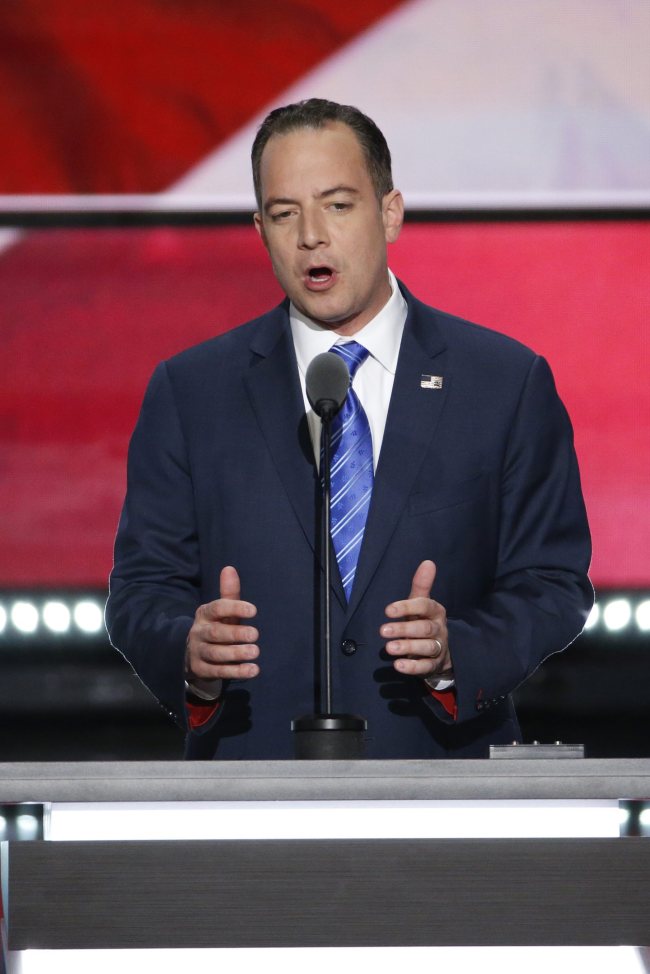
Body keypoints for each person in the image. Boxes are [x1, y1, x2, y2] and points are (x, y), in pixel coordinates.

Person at [106, 98, 593, 760]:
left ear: (389, 211)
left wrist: (458, 655)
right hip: (250, 789)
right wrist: (188, 656)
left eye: (337, 205)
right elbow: (141, 591)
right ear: (260, 228)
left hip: (444, 786)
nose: (311, 235)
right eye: (285, 213)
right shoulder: (192, 392)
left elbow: (552, 582)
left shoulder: (504, 382)